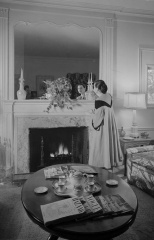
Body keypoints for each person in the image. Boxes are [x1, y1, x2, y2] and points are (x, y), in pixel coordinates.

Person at [89, 80, 123, 169]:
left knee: (99, 143)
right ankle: (110, 162)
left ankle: (100, 163)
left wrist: (92, 114)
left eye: (94, 86)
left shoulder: (98, 100)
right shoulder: (109, 96)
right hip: (110, 124)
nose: (93, 88)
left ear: (97, 88)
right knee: (108, 141)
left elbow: (98, 118)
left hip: (103, 126)